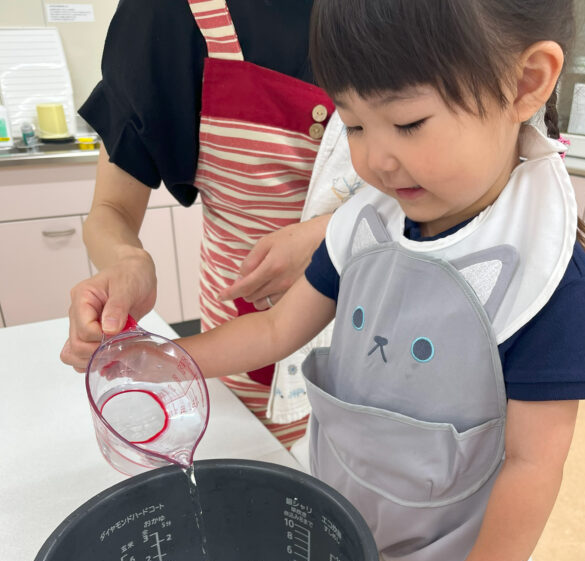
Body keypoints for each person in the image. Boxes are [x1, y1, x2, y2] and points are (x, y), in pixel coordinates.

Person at [102, 0, 585, 561]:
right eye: (355, 124)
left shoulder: (547, 278)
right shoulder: (371, 221)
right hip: (352, 528)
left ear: (525, 84)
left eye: (407, 123)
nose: (374, 157)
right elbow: (275, 333)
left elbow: (533, 464)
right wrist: (162, 357)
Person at [59, 0, 361, 448]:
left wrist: (330, 235)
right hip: (246, 354)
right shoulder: (164, 16)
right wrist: (128, 264)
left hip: (384, 363)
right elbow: (111, 210)